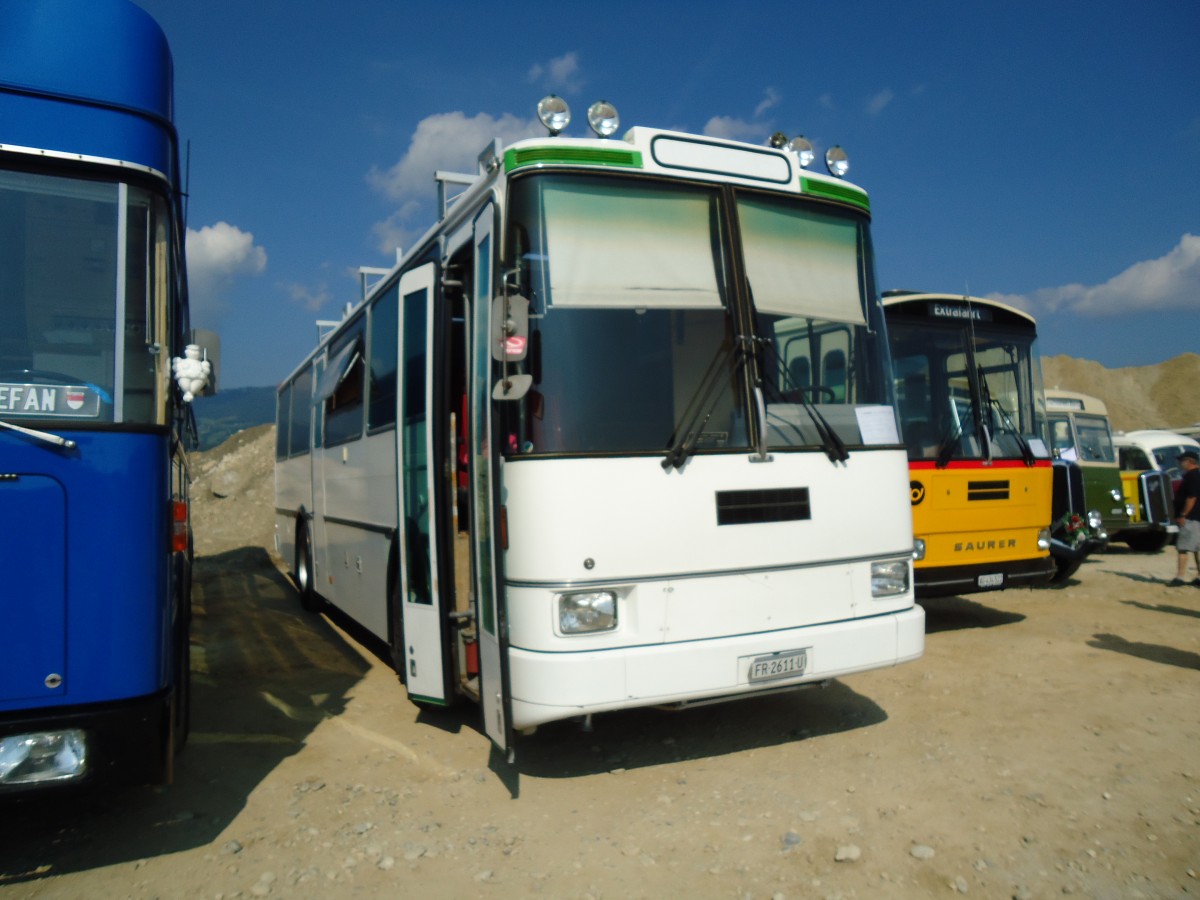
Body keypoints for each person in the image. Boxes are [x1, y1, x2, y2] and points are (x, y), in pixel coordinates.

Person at [1169, 449, 1200, 586]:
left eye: (1182, 461)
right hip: (1197, 517)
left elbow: (1192, 497)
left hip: (1191, 517)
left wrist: (1183, 514)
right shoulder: (1197, 475)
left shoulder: (1192, 476)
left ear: (1190, 462)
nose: (1180, 463)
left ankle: (1180, 577)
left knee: (1183, 548)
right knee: (1197, 548)